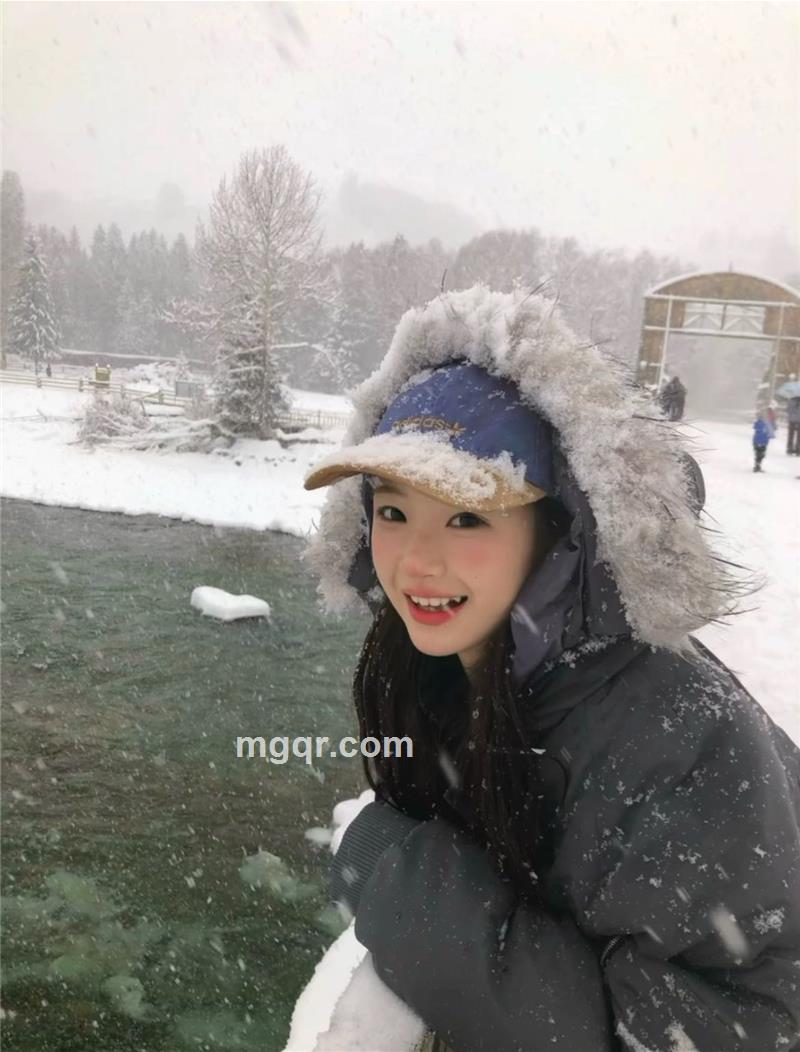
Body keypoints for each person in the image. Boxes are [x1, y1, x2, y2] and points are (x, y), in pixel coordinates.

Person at [303, 287, 800, 1052]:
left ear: (560, 529)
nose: (415, 562)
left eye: (467, 516)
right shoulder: (456, 663)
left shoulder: (680, 747)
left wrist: (401, 882)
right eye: (394, 511)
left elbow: (739, 1029)